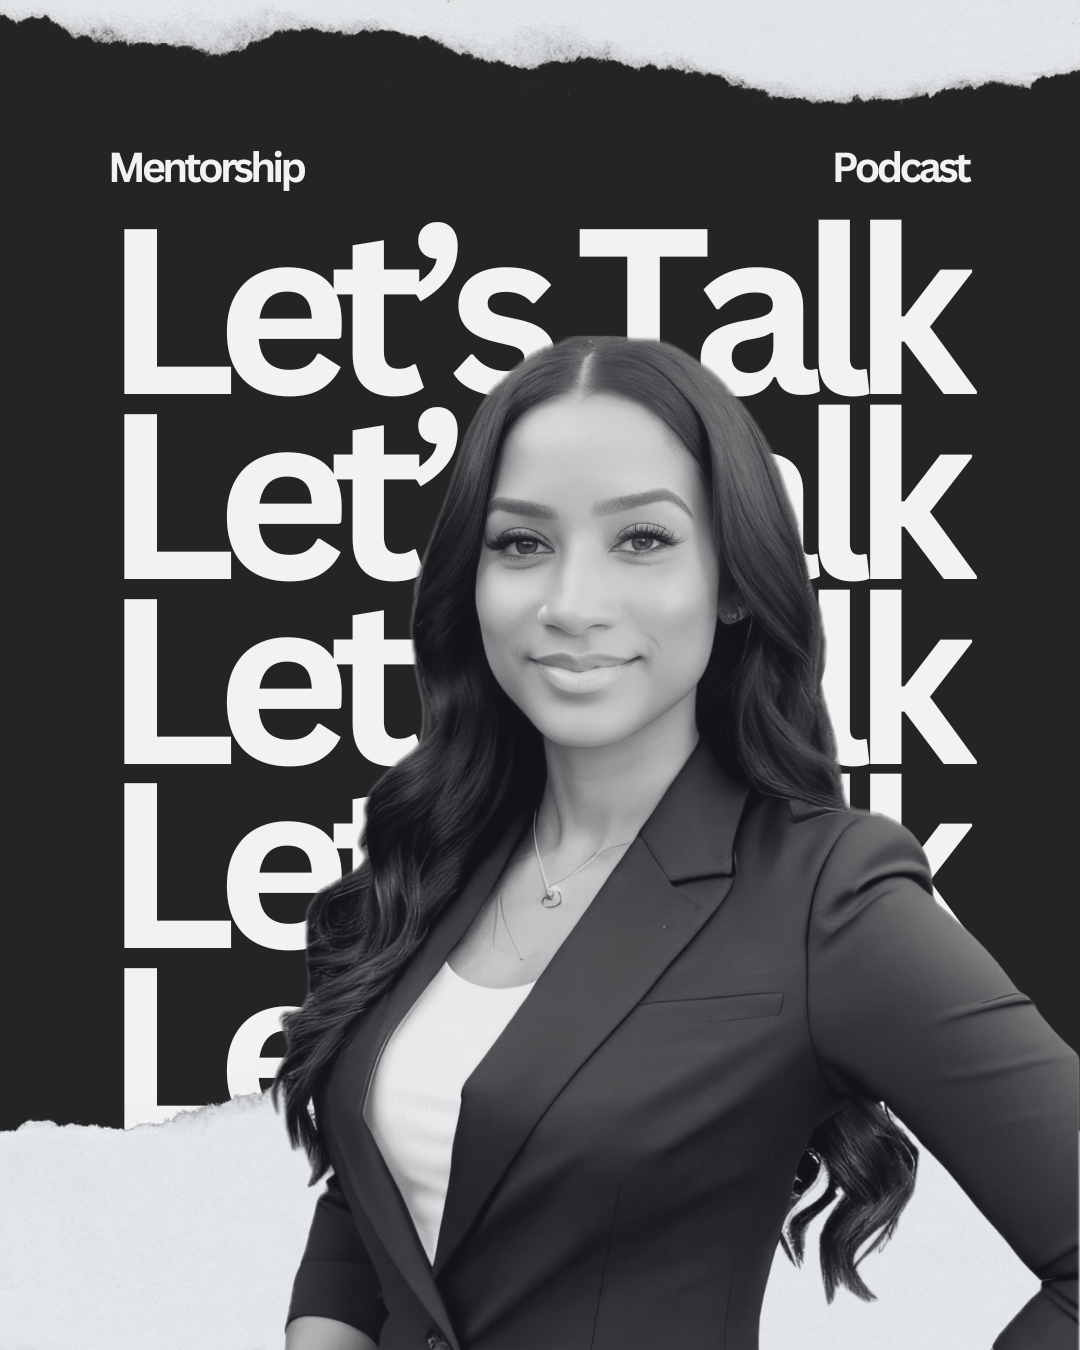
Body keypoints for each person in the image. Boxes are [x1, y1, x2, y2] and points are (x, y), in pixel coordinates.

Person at [274, 337, 1077, 1350]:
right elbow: (380, 1193)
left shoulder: (825, 897)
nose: (570, 605)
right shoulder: (434, 861)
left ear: (735, 581)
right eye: (521, 543)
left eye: (642, 540)